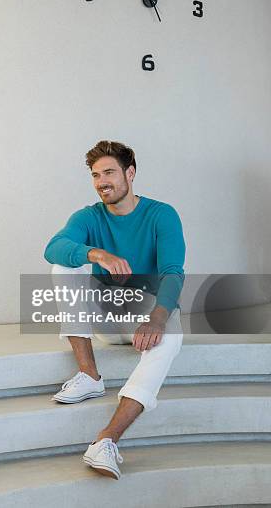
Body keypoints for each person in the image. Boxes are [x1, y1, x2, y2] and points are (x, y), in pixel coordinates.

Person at [43, 140, 186, 480]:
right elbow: (53, 248)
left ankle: (106, 440)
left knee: (172, 336)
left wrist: (157, 318)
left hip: (143, 315)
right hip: (106, 319)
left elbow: (172, 272)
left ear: (130, 173)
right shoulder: (88, 217)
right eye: (95, 175)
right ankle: (89, 376)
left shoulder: (161, 215)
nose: (101, 181)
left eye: (109, 172)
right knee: (64, 266)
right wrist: (97, 254)